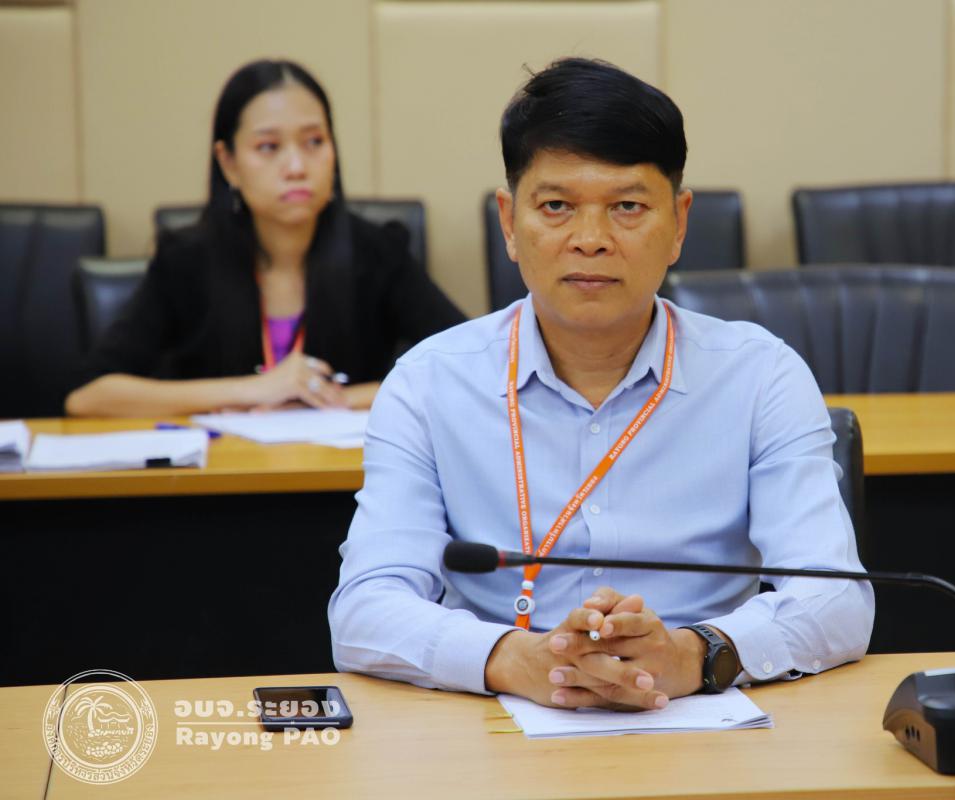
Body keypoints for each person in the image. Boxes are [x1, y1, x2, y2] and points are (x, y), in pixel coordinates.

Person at [329, 58, 873, 710]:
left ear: (679, 223)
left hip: (704, 715)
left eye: (628, 207)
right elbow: (365, 607)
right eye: (556, 206)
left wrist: (694, 655)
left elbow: (836, 598)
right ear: (509, 222)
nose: (590, 240)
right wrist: (514, 659)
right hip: (492, 723)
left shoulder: (760, 377)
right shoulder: (428, 384)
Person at [66, 59, 464, 417]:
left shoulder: (378, 253)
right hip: (221, 473)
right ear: (228, 163)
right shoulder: (184, 261)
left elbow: (470, 367)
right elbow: (87, 396)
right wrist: (251, 390)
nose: (296, 166)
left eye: (314, 142)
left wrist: (337, 398)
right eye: (269, 147)